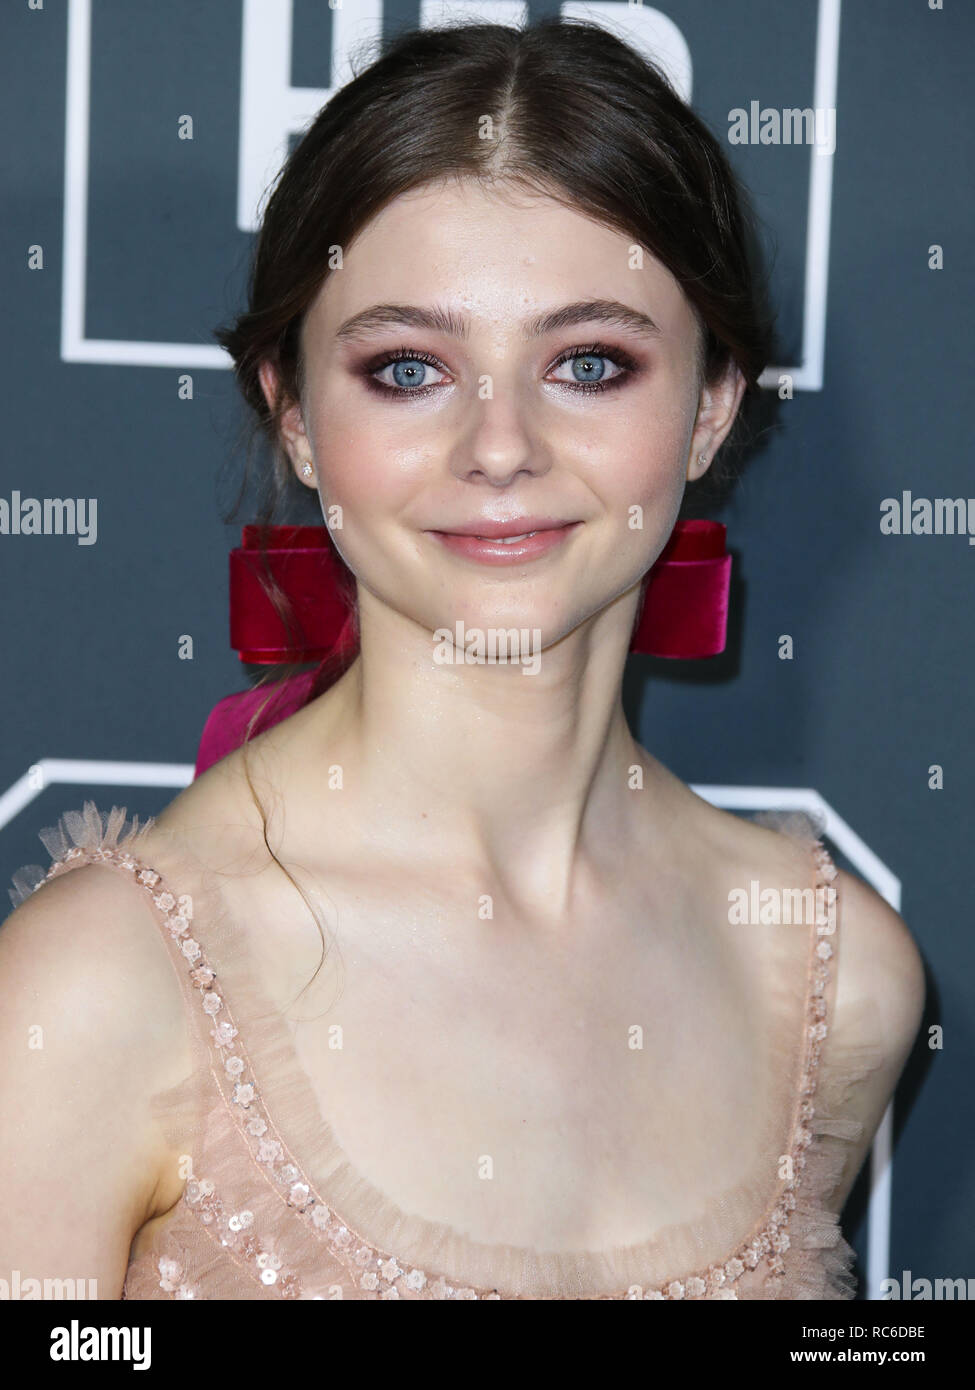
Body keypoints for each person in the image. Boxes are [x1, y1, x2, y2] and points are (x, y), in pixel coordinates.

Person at [0, 17, 924, 1301]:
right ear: (296, 414)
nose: (501, 446)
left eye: (590, 362)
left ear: (712, 403)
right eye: (409, 367)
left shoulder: (838, 982)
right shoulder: (96, 987)